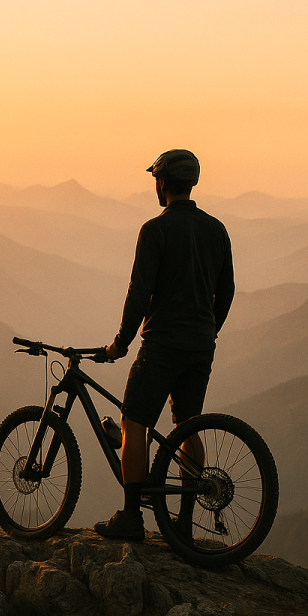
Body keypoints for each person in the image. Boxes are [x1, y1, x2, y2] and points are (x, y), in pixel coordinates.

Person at [94, 149, 235, 540]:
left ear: (162, 183)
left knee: (133, 423)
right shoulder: (216, 229)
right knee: (188, 426)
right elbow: (226, 291)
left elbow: (139, 292)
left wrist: (121, 343)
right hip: (200, 346)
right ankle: (184, 523)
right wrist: (209, 330)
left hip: (161, 346)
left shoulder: (154, 230)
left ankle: (131, 518)